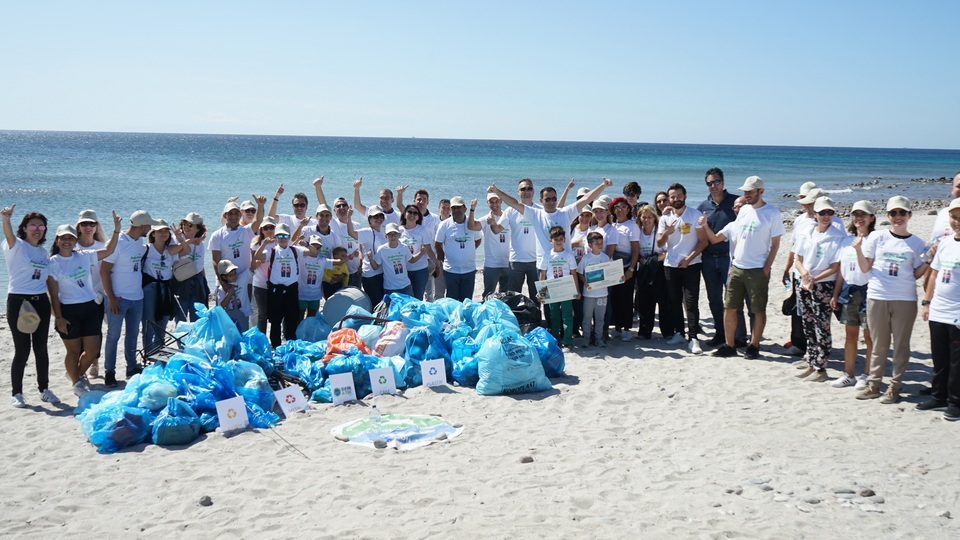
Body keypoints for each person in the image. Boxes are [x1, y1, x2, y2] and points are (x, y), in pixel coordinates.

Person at [854, 196, 930, 404]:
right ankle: (874, 385)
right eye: (893, 213)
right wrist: (858, 250)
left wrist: (929, 259)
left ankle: (894, 387)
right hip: (877, 296)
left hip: (904, 299)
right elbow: (865, 267)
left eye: (902, 213)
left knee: (900, 346)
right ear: (887, 216)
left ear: (909, 215)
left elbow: (916, 274)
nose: (898, 217)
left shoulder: (917, 243)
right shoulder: (877, 237)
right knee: (879, 345)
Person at [702, 176, 785, 360]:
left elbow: (776, 244)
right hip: (737, 267)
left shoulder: (772, 212)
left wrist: (766, 268)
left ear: (760, 191)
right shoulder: (745, 210)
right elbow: (738, 237)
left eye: (750, 191)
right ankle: (730, 345)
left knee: (757, 309)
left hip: (757, 268)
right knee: (730, 308)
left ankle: (754, 345)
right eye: (745, 191)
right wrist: (734, 261)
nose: (746, 195)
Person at [46, 214, 121, 396]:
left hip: (89, 307)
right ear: (57, 240)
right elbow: (53, 295)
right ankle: (76, 382)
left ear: (75, 240)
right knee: (73, 351)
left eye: (70, 238)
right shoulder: (52, 263)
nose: (67, 241)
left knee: (92, 350)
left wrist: (116, 229)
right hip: (68, 310)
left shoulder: (84, 256)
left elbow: (109, 250)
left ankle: (77, 375)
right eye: (63, 238)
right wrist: (59, 318)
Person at [3, 205, 58, 407]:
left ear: (44, 229)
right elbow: (8, 235)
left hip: (40, 301)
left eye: (41, 226)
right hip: (19, 302)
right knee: (22, 350)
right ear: (24, 228)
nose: (37, 229)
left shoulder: (43, 252)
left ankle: (44, 389)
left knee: (41, 349)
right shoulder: (16, 245)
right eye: (32, 225)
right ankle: (16, 393)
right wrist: (6, 219)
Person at [101, 210, 163, 387]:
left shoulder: (140, 241)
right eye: (149, 226)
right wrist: (111, 298)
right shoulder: (117, 243)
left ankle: (131, 367)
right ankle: (109, 372)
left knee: (133, 334)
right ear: (142, 226)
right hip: (118, 298)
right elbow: (104, 271)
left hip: (137, 297)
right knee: (113, 336)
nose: (150, 228)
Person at [793, 198, 845, 382]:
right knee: (807, 324)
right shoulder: (806, 231)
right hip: (805, 282)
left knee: (822, 326)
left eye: (830, 212)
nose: (826, 216)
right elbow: (797, 258)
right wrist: (803, 274)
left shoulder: (838, 236)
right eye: (822, 213)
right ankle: (811, 362)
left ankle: (821, 369)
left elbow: (835, 266)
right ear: (815, 213)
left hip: (824, 285)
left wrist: (815, 278)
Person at [918, 197, 960, 420]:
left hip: (957, 314)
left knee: (957, 361)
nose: (957, 222)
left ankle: (955, 402)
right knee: (940, 357)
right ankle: (939, 396)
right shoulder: (945, 243)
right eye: (954, 217)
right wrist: (927, 303)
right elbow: (933, 273)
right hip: (938, 310)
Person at [697, 168, 747, 348]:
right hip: (709, 259)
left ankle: (740, 337)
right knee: (714, 299)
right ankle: (720, 333)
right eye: (710, 183)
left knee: (734, 299)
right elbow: (698, 233)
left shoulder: (737, 203)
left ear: (723, 182)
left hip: (730, 259)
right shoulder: (703, 207)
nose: (713, 186)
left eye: (716, 182)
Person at [830, 200, 876, 388]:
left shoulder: (876, 239)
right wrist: (836, 293)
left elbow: (870, 267)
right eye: (856, 214)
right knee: (850, 335)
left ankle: (867, 374)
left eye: (863, 215)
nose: (859, 218)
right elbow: (841, 270)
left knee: (869, 336)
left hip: (868, 290)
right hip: (849, 290)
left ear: (871, 218)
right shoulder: (846, 241)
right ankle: (848, 374)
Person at [657, 183, 708, 353]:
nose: (675, 199)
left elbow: (704, 241)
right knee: (674, 301)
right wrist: (667, 232)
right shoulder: (665, 218)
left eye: (679, 196)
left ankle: (693, 337)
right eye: (672, 196)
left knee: (691, 302)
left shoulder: (694, 215)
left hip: (691, 264)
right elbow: (659, 243)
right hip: (671, 265)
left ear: (685, 196)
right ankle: (679, 332)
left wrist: (689, 259)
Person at [253, 223, 320, 347]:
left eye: (285, 235)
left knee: (291, 320)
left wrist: (305, 243)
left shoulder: (295, 250)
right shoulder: (272, 252)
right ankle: (276, 346)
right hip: (276, 291)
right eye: (280, 235)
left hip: (291, 290)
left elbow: (314, 252)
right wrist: (264, 244)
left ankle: (290, 345)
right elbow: (257, 256)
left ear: (289, 237)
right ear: (276, 237)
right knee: (275, 321)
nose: (283, 238)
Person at [209, 197, 265, 329]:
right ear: (225, 215)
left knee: (242, 314)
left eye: (236, 213)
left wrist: (260, 205)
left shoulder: (245, 231)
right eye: (230, 213)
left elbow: (259, 221)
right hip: (225, 282)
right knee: (224, 316)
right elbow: (215, 261)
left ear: (240, 215)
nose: (233, 216)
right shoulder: (217, 235)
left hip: (244, 280)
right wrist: (224, 283)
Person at [141, 220, 190, 355]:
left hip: (166, 289)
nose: (163, 234)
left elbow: (187, 250)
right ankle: (148, 353)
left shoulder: (170, 250)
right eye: (159, 231)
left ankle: (158, 352)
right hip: (149, 288)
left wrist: (180, 238)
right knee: (149, 323)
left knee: (162, 323)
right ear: (153, 234)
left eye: (166, 231)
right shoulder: (146, 248)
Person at [75, 209, 108, 379]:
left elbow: (110, 271)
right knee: (78, 335)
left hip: (97, 296)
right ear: (79, 226)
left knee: (95, 332)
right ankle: (81, 367)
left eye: (92, 224)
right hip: (75, 297)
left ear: (96, 227)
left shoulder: (102, 247)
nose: (88, 227)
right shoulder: (72, 246)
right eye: (84, 224)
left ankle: (94, 363)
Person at [396, 186, 443, 300]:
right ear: (414, 200)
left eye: (424, 199)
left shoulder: (434, 218)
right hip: (406, 265)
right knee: (407, 294)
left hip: (426, 260)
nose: (421, 202)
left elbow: (437, 240)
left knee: (425, 290)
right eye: (418, 199)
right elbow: (399, 205)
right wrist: (400, 193)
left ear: (427, 202)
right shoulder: (402, 227)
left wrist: (437, 260)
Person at [538, 226, 579, 348]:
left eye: (561, 239)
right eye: (556, 239)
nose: (558, 241)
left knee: (567, 315)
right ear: (551, 240)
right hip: (551, 289)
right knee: (554, 315)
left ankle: (568, 340)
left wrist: (577, 290)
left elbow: (574, 273)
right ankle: (556, 339)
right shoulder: (547, 255)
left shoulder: (568, 255)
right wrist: (541, 292)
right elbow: (543, 274)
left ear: (565, 239)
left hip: (566, 288)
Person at [434, 197, 483, 301]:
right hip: (451, 271)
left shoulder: (472, 222)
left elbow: (478, 239)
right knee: (452, 300)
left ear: (465, 209)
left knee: (466, 300)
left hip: (469, 270)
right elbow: (438, 243)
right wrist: (443, 258)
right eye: (454, 208)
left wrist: (469, 251)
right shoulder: (444, 225)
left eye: (459, 207)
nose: (456, 210)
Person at [501, 178, 542, 302]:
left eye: (529, 188)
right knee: (514, 295)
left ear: (533, 192)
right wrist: (491, 222)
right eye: (523, 189)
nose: (526, 191)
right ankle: (516, 319)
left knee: (536, 295)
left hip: (536, 260)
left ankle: (536, 319)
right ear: (518, 192)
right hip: (516, 260)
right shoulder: (510, 210)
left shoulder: (540, 210)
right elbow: (498, 229)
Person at [609, 197, 640, 342]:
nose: (620, 210)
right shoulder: (611, 226)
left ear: (628, 209)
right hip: (612, 267)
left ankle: (627, 329)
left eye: (623, 207)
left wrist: (631, 269)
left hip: (627, 266)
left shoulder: (632, 226)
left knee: (626, 298)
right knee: (614, 297)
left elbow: (635, 250)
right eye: (617, 207)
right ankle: (617, 328)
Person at [634, 204, 666, 340]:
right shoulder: (638, 231)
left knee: (663, 301)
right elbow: (635, 249)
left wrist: (652, 260)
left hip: (658, 267)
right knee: (643, 300)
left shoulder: (659, 231)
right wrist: (642, 260)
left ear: (654, 218)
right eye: (644, 217)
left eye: (649, 217)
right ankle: (644, 331)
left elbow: (666, 251)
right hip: (643, 268)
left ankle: (667, 331)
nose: (646, 220)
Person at [370, 222, 428, 296]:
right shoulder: (382, 249)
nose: (393, 237)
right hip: (390, 287)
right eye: (390, 234)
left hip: (405, 285)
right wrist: (370, 259)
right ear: (386, 236)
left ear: (399, 235)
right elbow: (375, 267)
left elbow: (411, 260)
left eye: (395, 234)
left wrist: (421, 253)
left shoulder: (404, 247)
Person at [173, 212, 209, 322]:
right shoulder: (176, 239)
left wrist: (205, 285)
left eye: (190, 225)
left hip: (197, 282)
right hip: (181, 282)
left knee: (198, 319)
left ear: (198, 229)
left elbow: (200, 266)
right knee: (181, 319)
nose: (186, 227)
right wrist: (186, 241)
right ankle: (181, 340)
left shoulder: (200, 244)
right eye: (185, 223)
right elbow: (173, 257)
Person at [577, 231, 610, 349]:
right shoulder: (586, 258)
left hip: (602, 293)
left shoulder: (606, 257)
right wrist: (584, 281)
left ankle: (599, 338)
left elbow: (610, 273)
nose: (600, 245)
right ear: (590, 245)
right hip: (589, 293)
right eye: (597, 243)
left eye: (601, 243)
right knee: (587, 317)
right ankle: (586, 338)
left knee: (600, 318)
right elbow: (580, 272)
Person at [398, 204, 437, 299]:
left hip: (420, 270)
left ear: (418, 217)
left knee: (417, 297)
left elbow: (429, 250)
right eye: (409, 212)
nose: (412, 214)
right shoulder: (399, 230)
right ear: (404, 214)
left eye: (415, 213)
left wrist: (437, 263)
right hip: (404, 270)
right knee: (405, 297)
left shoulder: (423, 230)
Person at [353, 205, 388, 307]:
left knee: (383, 302)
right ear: (370, 219)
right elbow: (351, 233)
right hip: (370, 275)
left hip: (382, 272)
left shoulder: (383, 231)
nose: (379, 219)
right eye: (375, 217)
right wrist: (349, 217)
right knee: (376, 303)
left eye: (381, 216)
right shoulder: (366, 232)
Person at [480, 192, 511, 298]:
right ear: (487, 203)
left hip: (508, 263)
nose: (494, 204)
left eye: (496, 201)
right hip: (491, 264)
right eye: (491, 202)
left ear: (501, 201)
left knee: (506, 295)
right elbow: (472, 227)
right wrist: (472, 210)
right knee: (488, 294)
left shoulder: (508, 217)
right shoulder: (485, 219)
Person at [215, 259, 250, 333]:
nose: (234, 276)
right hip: (231, 318)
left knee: (244, 333)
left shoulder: (241, 279)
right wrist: (228, 295)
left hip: (244, 314)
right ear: (224, 277)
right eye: (231, 275)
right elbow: (220, 306)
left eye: (234, 273)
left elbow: (252, 269)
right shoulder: (221, 290)